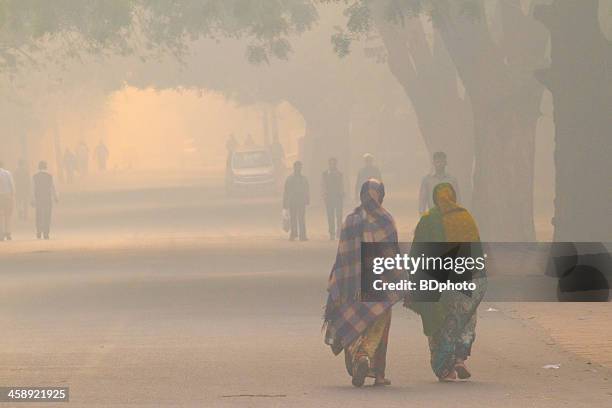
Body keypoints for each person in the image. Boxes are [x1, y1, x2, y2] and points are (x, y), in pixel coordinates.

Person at [324, 179, 402, 387]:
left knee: (353, 322)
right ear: (381, 195)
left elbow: (342, 255)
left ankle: (359, 359)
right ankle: (376, 372)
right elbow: (392, 255)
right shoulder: (386, 220)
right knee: (379, 326)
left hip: (351, 285)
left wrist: (337, 280)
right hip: (379, 285)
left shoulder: (350, 220)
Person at [406, 183, 487, 382]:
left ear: (434, 198)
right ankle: (460, 359)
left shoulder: (428, 220)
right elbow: (476, 250)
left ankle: (445, 369)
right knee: (464, 320)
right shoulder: (465, 217)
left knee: (440, 322)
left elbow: (418, 251)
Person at [282, 161, 309, 241]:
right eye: (297, 166)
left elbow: (306, 190)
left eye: (299, 166)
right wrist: (285, 203)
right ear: (294, 168)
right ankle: (293, 234)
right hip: (292, 201)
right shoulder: (290, 179)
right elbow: (286, 191)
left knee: (301, 218)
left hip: (301, 201)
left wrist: (307, 199)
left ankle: (302, 235)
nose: (298, 168)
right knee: (293, 218)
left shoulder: (304, 179)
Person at [32, 161, 59, 240]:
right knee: (47, 215)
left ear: (38, 167)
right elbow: (53, 187)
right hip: (47, 198)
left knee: (39, 215)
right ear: (46, 167)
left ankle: (39, 232)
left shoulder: (35, 176)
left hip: (38, 198)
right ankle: (46, 233)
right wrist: (56, 197)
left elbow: (33, 188)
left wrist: (32, 199)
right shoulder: (50, 176)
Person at [321, 157, 344, 240]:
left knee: (339, 216)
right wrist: (324, 194)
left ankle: (339, 232)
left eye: (334, 163)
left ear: (335, 164)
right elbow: (323, 185)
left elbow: (341, 185)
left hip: (338, 197)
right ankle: (332, 233)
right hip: (329, 197)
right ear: (329, 164)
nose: (332, 165)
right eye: (331, 163)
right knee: (330, 216)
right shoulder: (325, 174)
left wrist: (342, 193)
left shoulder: (339, 174)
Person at [0, 161, 15, 241]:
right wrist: (13, 195)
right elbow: (12, 184)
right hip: (7, 196)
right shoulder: (7, 173)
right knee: (8, 215)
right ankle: (8, 233)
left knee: (0, 216)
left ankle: (1, 234)